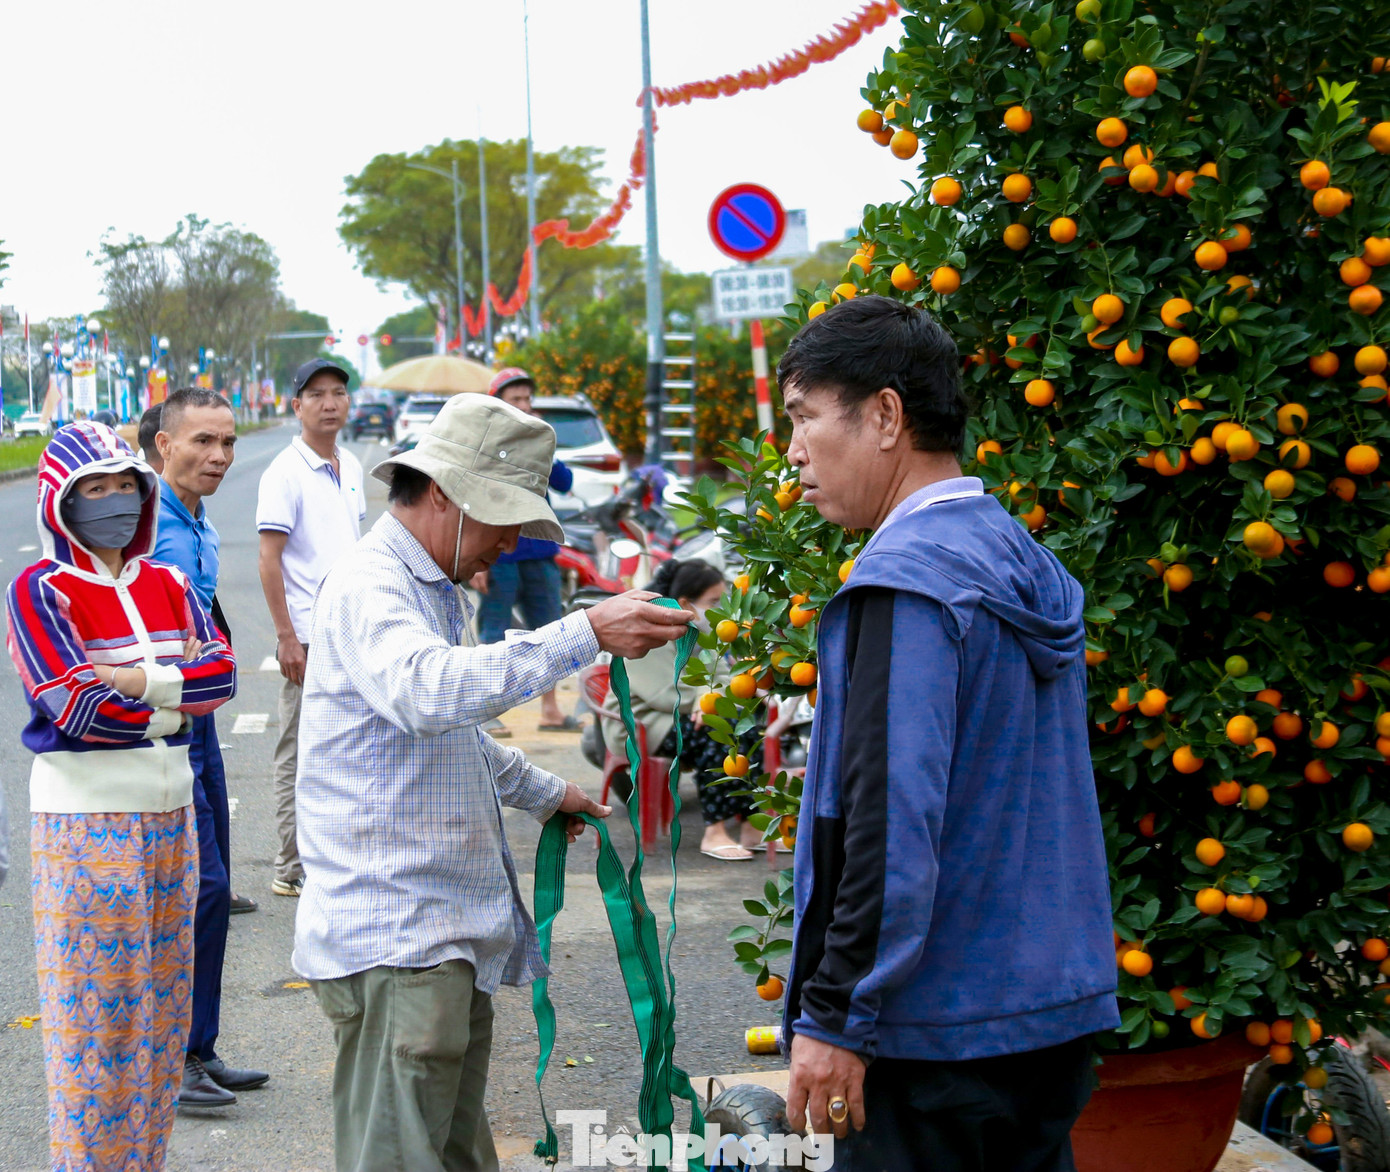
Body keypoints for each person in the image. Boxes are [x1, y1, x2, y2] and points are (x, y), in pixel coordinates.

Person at [292, 393, 693, 1172]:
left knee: (450, 1154)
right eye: (504, 520)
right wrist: (585, 632)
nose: (509, 544)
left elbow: (450, 733)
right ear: (442, 492)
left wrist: (550, 792)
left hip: (436, 935)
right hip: (398, 939)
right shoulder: (373, 585)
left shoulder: (433, 588)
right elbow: (429, 693)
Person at [775, 297, 1117, 1170]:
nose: (793, 453)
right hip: (1049, 1013)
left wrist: (836, 1015)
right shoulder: (1017, 555)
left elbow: (889, 821)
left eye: (805, 417)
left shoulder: (906, 585)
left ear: (885, 415)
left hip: (933, 1033)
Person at [6, 421, 238, 1171]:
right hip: (88, 826)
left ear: (143, 494)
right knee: (96, 1037)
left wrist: (139, 686)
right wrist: (175, 700)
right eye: (92, 490)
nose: (112, 501)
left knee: (161, 1030)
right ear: (61, 503)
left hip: (171, 816)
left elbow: (226, 677)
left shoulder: (167, 583)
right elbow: (74, 707)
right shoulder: (40, 589)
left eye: (123, 486)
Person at [151, 388, 269, 1108]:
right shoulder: (140, 525)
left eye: (226, 442)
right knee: (201, 888)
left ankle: (202, 1046)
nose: (219, 456)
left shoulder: (198, 522)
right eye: (201, 441)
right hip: (160, 731)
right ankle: (174, 1061)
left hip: (202, 723)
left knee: (216, 895)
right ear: (164, 444)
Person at [256, 358, 363, 898]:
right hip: (308, 638)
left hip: (353, 632)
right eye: (316, 394)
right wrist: (285, 637)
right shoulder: (284, 473)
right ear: (296, 406)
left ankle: (333, 853)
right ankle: (290, 865)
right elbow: (269, 560)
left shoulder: (353, 465)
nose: (329, 403)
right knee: (299, 750)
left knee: (349, 747)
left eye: (338, 392)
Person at [598, 559, 763, 859]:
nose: (720, 608)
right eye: (713, 601)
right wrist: (706, 700)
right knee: (717, 733)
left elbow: (724, 680)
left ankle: (752, 826)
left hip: (678, 715)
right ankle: (715, 832)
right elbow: (663, 693)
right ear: (686, 603)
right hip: (643, 725)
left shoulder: (705, 635)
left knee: (747, 728)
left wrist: (708, 698)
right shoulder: (650, 634)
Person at [471, 367, 575, 734]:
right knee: (493, 632)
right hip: (496, 553)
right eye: (515, 399)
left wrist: (546, 444)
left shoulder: (539, 442)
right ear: (498, 404)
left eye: (527, 398)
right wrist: (475, 563)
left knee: (550, 630)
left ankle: (551, 709)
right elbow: (474, 500)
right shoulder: (485, 445)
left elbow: (564, 483)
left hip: (539, 550)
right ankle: (487, 712)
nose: (525, 405)